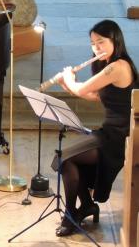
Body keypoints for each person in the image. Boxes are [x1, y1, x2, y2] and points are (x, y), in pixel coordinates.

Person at [53, 19, 138, 236]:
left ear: (115, 40)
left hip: (119, 138)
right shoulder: (111, 65)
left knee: (66, 159)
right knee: (67, 160)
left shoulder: (118, 67)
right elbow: (94, 95)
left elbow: (81, 91)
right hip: (109, 133)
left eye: (100, 42)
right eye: (93, 44)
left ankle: (73, 213)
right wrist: (67, 83)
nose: (96, 48)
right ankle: (84, 207)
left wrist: (70, 79)